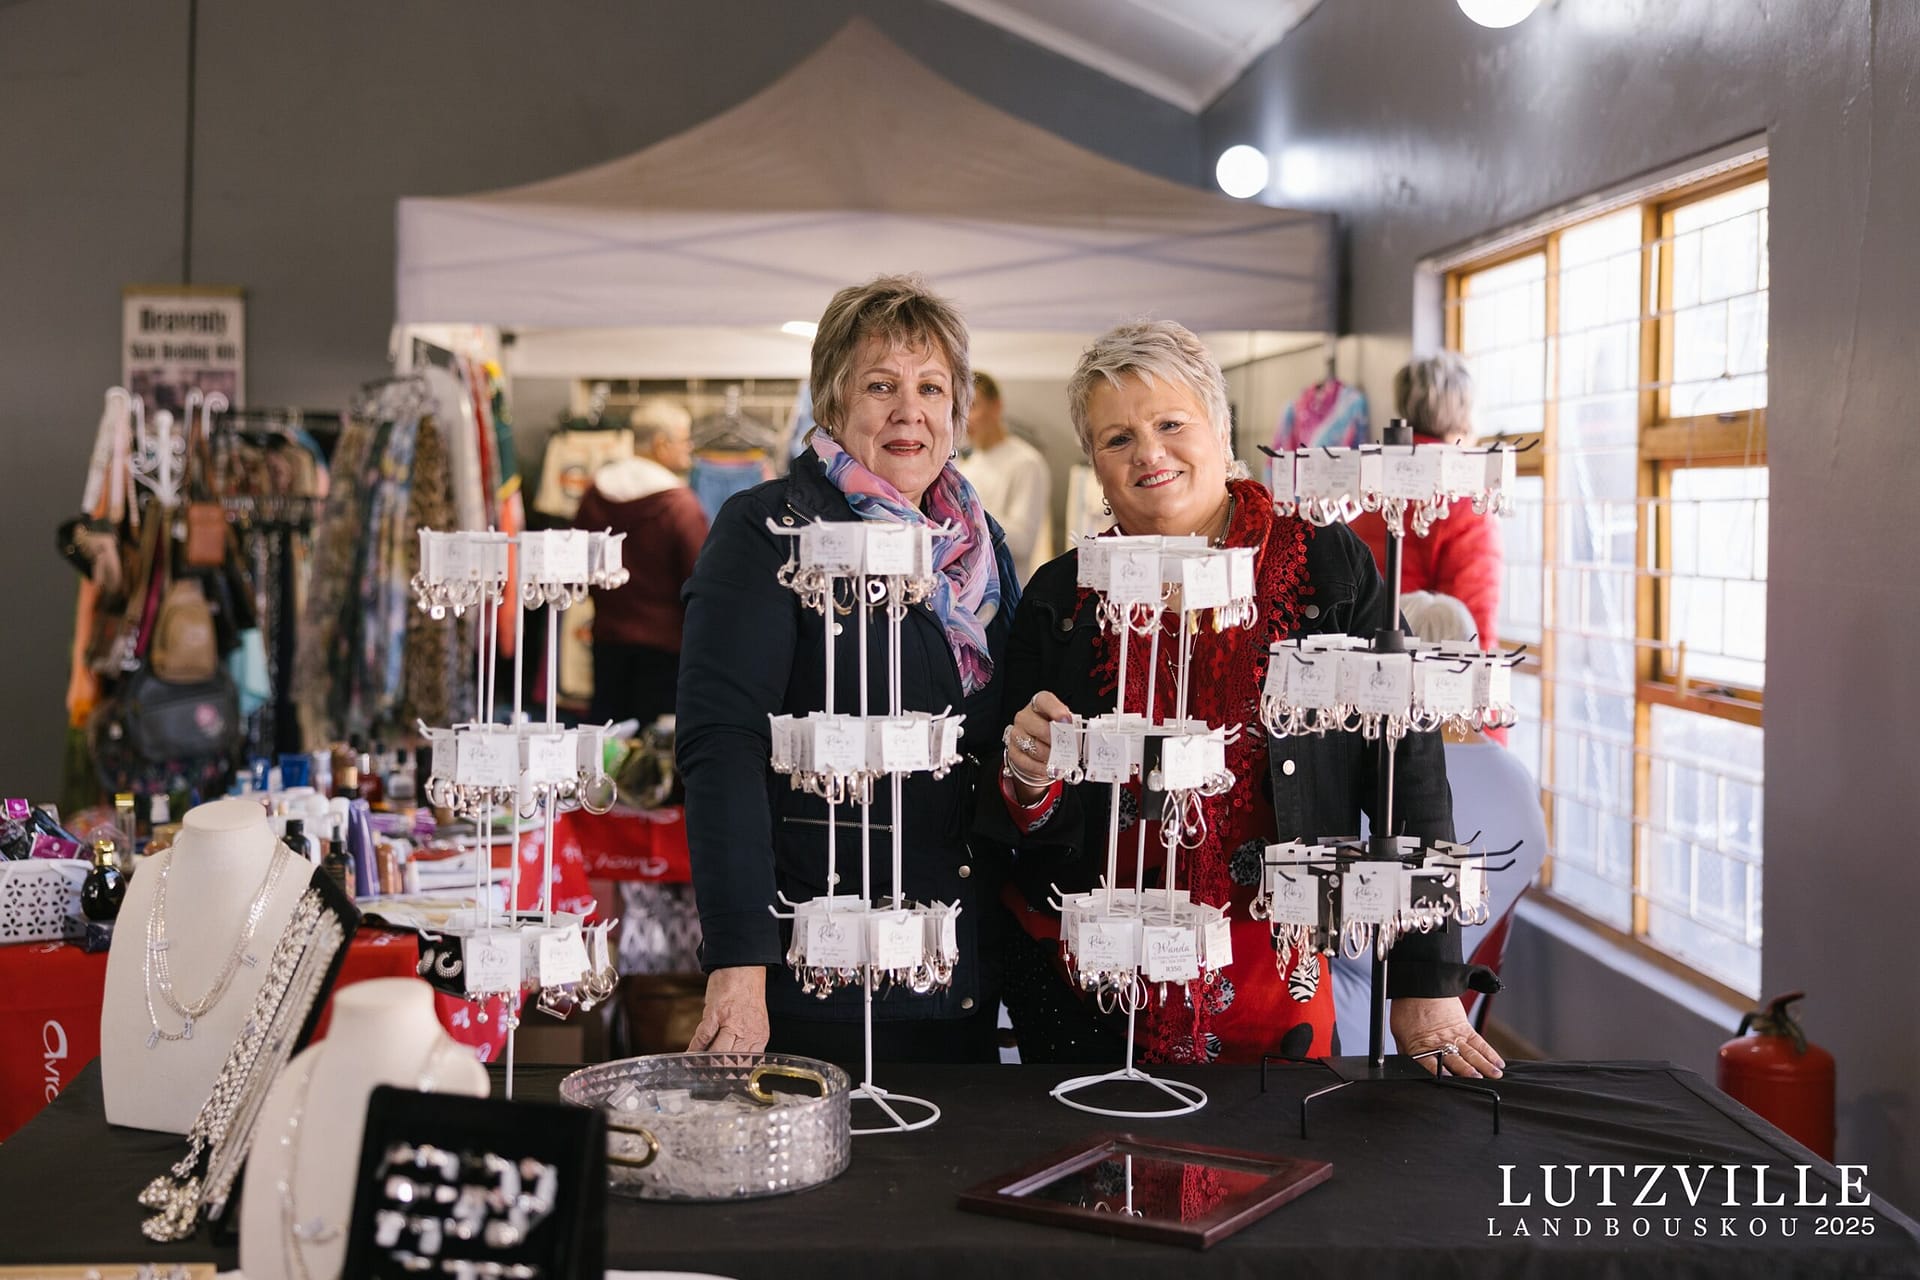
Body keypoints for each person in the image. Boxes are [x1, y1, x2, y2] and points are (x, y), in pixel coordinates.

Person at [983, 320, 1500, 1075]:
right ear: (1094, 461)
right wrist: (1029, 781)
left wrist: (1427, 980)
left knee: (1275, 1143)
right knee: (1091, 1147)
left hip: (1269, 975)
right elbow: (1020, 813)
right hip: (1086, 985)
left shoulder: (1325, 568)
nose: (1149, 453)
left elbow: (1406, 765)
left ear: (1220, 428)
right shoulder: (1061, 597)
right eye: (1118, 438)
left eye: (1170, 424)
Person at [677, 275, 1021, 1064]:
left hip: (956, 971)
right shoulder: (768, 530)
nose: (910, 411)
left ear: (957, 411)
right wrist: (740, 960)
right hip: (826, 978)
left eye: (931, 388)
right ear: (832, 401)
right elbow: (721, 748)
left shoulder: (981, 546)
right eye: (880, 386)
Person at [1331, 591, 1547, 1057]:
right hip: (1453, 1013)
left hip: (1350, 1018)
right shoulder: (1519, 784)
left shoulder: (1385, 782)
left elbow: (1352, 942)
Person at [1349, 353, 1503, 652]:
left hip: (1360, 654)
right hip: (1422, 663)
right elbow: (1474, 616)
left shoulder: (1370, 475)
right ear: (1464, 412)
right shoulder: (1462, 493)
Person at [572, 400, 707, 728]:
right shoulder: (678, 506)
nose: (690, 447)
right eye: (684, 439)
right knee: (656, 744)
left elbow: (576, 564)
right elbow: (701, 578)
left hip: (607, 641)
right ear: (661, 444)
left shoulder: (595, 495)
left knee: (607, 739)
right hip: (667, 650)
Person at [957, 371, 1054, 582]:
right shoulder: (967, 466)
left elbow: (1023, 541)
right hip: (971, 590)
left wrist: (969, 518)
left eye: (972, 406)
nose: (966, 419)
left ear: (996, 407)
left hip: (1008, 591)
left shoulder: (1027, 463)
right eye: (960, 409)